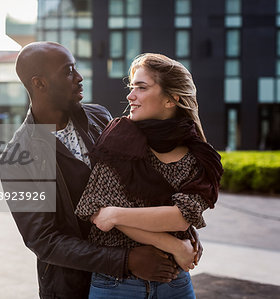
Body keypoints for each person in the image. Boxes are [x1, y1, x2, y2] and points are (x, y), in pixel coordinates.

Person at [0, 42, 202, 299]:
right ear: (39, 83)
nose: (79, 77)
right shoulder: (16, 157)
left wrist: (177, 234)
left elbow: (144, 182)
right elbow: (44, 240)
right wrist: (126, 259)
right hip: (76, 287)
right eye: (68, 71)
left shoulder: (101, 117)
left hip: (151, 276)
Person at [75, 53, 223, 298]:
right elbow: (96, 211)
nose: (130, 96)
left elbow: (180, 218)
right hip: (116, 285)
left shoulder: (200, 155)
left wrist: (115, 213)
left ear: (171, 99)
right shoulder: (118, 138)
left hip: (175, 285)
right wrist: (175, 246)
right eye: (132, 87)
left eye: (141, 88)